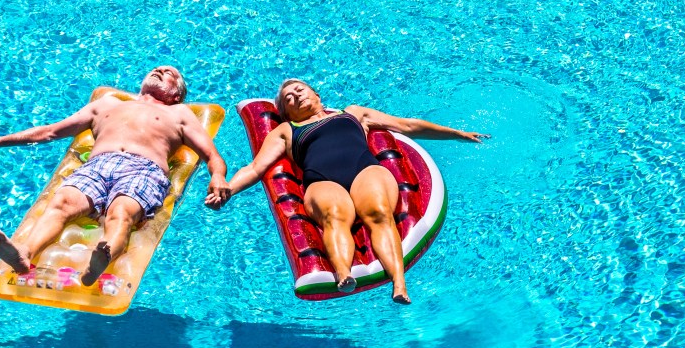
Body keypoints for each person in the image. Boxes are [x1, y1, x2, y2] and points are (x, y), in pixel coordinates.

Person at [206, 78, 488, 304]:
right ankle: (343, 275)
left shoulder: (353, 113)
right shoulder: (285, 132)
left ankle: (399, 284)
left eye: (300, 90)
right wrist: (228, 188)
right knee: (334, 214)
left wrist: (458, 134)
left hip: (364, 168)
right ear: (285, 112)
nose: (296, 96)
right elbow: (256, 168)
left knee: (378, 212)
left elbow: (407, 125)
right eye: (289, 99)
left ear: (317, 95)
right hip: (321, 180)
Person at [0, 66, 231, 286]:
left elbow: (212, 156)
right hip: (97, 165)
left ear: (176, 95)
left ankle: (101, 260)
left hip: (144, 169)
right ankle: (24, 254)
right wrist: (2, 140)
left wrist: (218, 177)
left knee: (121, 212)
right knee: (62, 202)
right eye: (156, 69)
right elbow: (51, 132)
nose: (160, 70)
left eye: (169, 73)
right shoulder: (107, 104)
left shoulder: (179, 113)